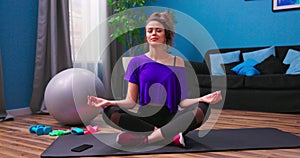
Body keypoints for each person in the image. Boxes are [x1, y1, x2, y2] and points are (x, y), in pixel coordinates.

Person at [87, 11, 222, 147]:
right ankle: (167, 135)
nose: (153, 34)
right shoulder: (136, 62)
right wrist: (108, 102)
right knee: (109, 111)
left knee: (203, 108)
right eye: (150, 31)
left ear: (166, 35)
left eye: (158, 31)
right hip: (144, 119)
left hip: (170, 117)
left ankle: (146, 139)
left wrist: (202, 99)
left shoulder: (178, 62)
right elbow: (130, 102)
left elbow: (183, 102)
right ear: (146, 35)